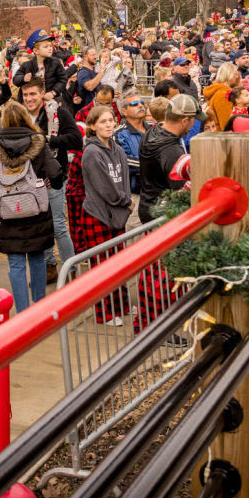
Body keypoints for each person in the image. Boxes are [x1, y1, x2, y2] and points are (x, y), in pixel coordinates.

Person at [0, 100, 60, 313]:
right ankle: (39, 308)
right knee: (37, 258)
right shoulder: (37, 142)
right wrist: (51, 184)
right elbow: (55, 172)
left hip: (8, 210)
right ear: (26, 118)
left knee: (16, 265)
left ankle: (22, 313)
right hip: (35, 207)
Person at [16, 78, 80, 283]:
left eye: (33, 94)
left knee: (58, 225)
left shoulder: (58, 113)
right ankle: (49, 267)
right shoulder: (20, 117)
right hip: (28, 180)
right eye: (25, 95)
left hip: (52, 179)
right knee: (38, 226)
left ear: (42, 94)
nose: (29, 99)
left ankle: (72, 269)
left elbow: (76, 140)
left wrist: (47, 139)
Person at [81, 106, 135, 325]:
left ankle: (120, 304)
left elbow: (123, 181)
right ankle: (105, 312)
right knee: (102, 266)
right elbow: (106, 189)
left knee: (118, 262)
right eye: (102, 122)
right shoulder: (92, 153)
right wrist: (128, 201)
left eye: (111, 120)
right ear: (92, 126)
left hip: (117, 213)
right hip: (98, 214)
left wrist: (124, 202)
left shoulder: (117, 148)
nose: (108, 125)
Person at [138, 96, 200, 224]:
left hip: (147, 207)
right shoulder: (173, 152)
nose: (193, 124)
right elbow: (180, 194)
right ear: (184, 121)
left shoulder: (150, 133)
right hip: (163, 216)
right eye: (193, 120)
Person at [11, 29, 70, 107]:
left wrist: (53, 92)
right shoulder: (26, 65)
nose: (50, 48)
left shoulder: (56, 63)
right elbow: (15, 80)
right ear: (36, 51)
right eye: (46, 47)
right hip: (31, 102)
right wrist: (23, 78)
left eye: (50, 45)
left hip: (51, 100)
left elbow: (63, 79)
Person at [114, 91, 151, 194]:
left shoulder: (153, 131)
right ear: (124, 111)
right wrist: (153, 164)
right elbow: (123, 162)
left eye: (141, 102)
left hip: (156, 191)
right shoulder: (118, 134)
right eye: (134, 104)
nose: (140, 105)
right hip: (134, 193)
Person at [202, 62, 244, 132]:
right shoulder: (223, 94)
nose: (237, 77)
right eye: (236, 74)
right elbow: (226, 123)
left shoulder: (218, 90)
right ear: (229, 74)